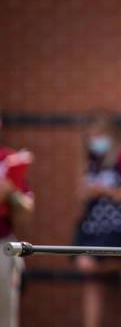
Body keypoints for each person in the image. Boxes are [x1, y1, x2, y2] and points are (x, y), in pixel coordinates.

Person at [73, 113, 121, 327]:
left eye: (100, 135)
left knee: (88, 264)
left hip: (119, 222)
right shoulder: (91, 161)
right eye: (91, 136)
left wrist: (106, 191)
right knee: (91, 280)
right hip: (92, 224)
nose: (95, 141)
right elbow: (80, 193)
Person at [0, 116, 34, 327]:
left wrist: (10, 194)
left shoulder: (8, 159)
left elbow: (26, 212)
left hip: (1, 244)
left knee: (5, 317)